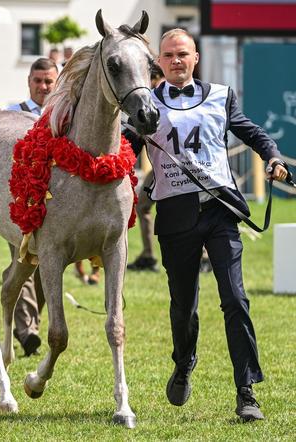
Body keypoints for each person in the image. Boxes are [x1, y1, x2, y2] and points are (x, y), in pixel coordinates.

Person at [141, 28, 288, 422]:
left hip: (220, 211)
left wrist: (272, 157)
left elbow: (251, 132)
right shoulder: (144, 105)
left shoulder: (222, 96)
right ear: (159, 60)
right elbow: (120, 146)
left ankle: (246, 392)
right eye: (169, 54)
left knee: (235, 299)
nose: (176, 60)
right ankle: (184, 360)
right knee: (183, 306)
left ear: (195, 58)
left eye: (183, 54)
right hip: (176, 217)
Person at [126, 65, 213, 274]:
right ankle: (148, 255)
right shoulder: (153, 101)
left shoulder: (169, 99)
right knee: (143, 206)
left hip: (188, 168)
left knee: (193, 209)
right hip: (160, 167)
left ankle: (204, 255)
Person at [7, 57, 58, 356]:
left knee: (46, 268)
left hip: (58, 206)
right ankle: (27, 330)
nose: (43, 86)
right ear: (29, 81)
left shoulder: (65, 116)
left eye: (48, 81)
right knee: (23, 260)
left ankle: (30, 323)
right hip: (23, 202)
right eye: (38, 81)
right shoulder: (13, 114)